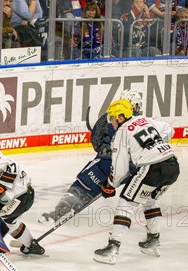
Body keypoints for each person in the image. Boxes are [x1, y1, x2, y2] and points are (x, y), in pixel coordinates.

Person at [94, 98, 179, 265]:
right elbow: (169, 129)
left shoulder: (121, 133)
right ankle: (153, 240)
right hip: (173, 165)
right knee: (150, 200)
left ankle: (112, 248)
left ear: (120, 117)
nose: (110, 123)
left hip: (151, 168)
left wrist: (110, 186)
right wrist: (150, 148)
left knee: (126, 204)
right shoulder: (145, 120)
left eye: (112, 118)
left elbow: (120, 170)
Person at [41, 90, 144, 226]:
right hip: (131, 168)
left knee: (80, 186)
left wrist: (103, 151)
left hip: (106, 161)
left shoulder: (109, 116)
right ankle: (151, 227)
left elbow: (96, 140)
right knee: (136, 194)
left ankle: (58, 213)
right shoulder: (144, 122)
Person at [0, 147, 45, 255]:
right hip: (23, 195)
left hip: (20, 196)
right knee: (9, 222)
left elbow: (12, 166)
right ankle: (31, 245)